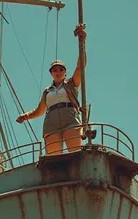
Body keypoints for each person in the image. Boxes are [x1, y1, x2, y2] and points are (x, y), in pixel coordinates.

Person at [16, 24, 87, 155]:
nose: (58, 72)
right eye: (55, 70)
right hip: (51, 122)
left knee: (76, 153)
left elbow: (80, 67)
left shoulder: (71, 84)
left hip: (70, 118)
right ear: (51, 73)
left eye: (61, 69)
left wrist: (82, 43)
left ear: (65, 72)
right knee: (54, 158)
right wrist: (25, 116)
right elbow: (39, 111)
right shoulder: (47, 91)